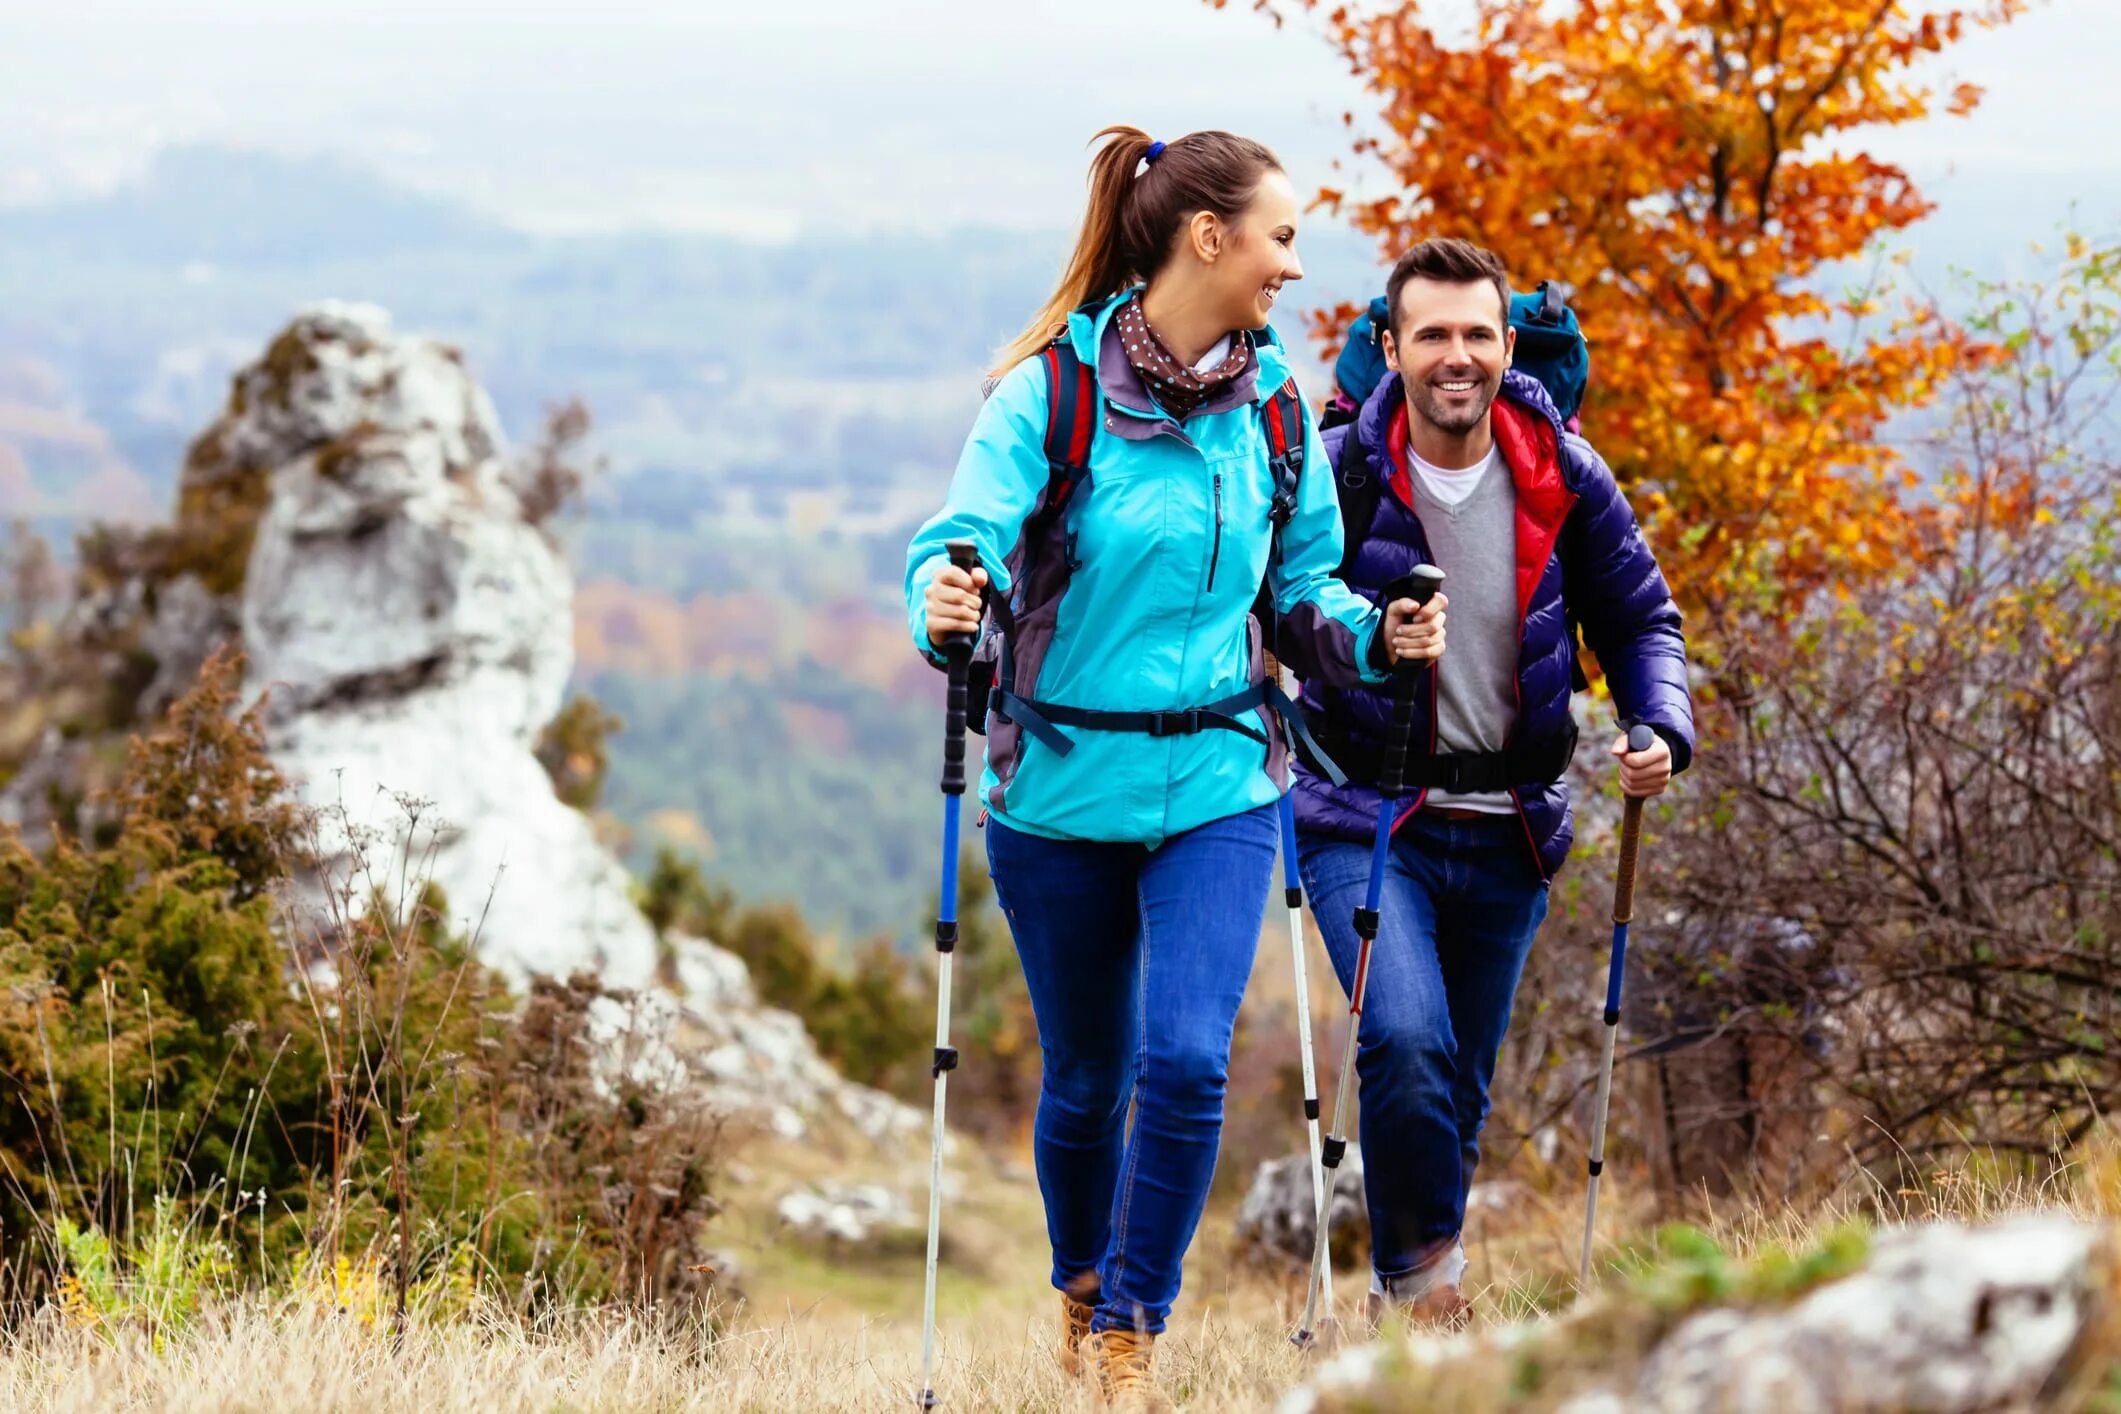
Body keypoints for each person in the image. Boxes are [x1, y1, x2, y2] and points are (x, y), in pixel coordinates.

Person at [904, 126, 1439, 1410]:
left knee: (1190, 1058)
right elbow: (960, 536)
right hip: (1060, 786)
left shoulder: (1276, 407)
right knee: (1087, 1079)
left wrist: (1374, 635)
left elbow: (1303, 585)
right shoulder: (1052, 392)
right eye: (1282, 237)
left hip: (1219, 779)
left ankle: (1135, 1330)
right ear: (1210, 236)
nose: (1296, 268)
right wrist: (942, 599)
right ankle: (1081, 1287)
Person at [1284, 237, 1695, 1325]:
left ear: (1509, 346)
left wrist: (1662, 724)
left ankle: (1403, 1294)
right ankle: (1428, 1295)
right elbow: (1284, 613)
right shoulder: (1342, 473)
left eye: (1476, 334)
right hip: (1364, 813)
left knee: (1457, 1085)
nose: (1455, 356)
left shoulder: (1563, 468)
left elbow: (1642, 615)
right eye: (1432, 335)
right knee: (1405, 1036)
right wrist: (1365, 637)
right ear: (1392, 347)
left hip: (1511, 819)